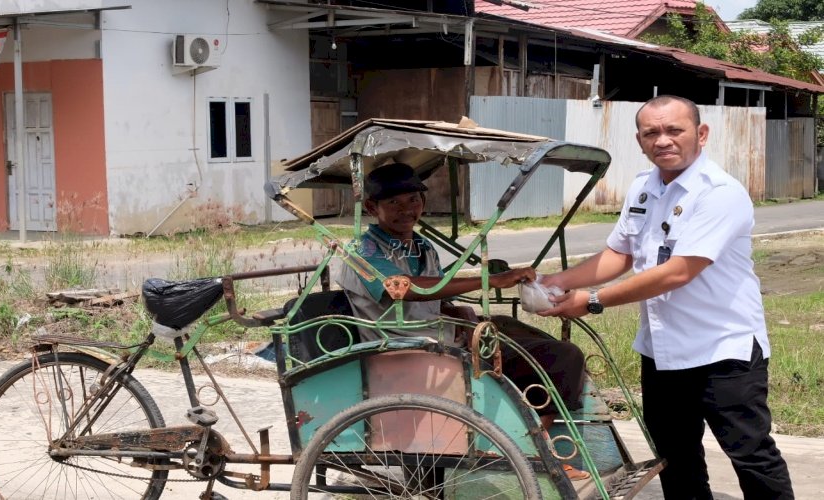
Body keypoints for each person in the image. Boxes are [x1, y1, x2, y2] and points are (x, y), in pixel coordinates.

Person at [538, 95, 793, 499]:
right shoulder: (643, 187)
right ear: (639, 140)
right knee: (675, 455)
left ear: (701, 134)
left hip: (723, 349)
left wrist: (593, 300)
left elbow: (679, 271)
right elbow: (619, 254)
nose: (663, 140)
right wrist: (556, 280)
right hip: (662, 351)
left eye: (675, 130)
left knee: (750, 454)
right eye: (651, 132)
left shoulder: (719, 193)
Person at [337, 162, 589, 480]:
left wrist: (458, 311)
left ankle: (537, 443)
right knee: (536, 359)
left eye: (413, 200)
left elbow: (435, 294)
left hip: (442, 341)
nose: (407, 210)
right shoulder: (362, 249)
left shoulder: (421, 245)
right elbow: (401, 288)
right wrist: (486, 280)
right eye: (394, 203)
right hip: (404, 352)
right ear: (373, 207)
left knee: (560, 355)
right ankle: (532, 452)